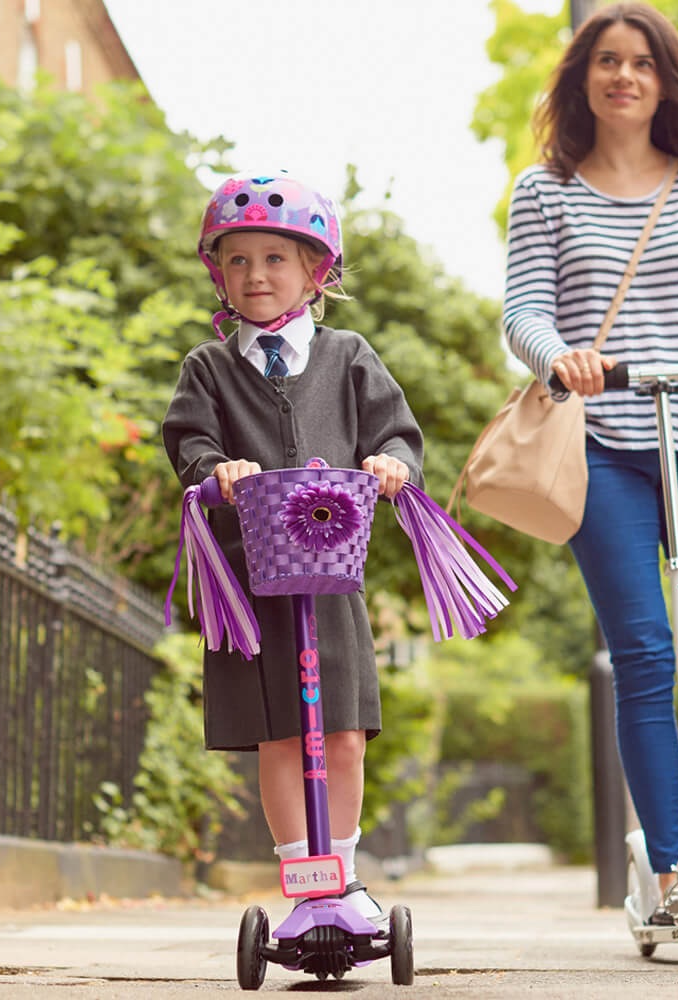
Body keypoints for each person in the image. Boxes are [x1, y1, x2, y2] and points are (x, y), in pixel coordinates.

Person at [500, 3, 678, 941]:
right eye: (607, 61)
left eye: (643, 63)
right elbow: (523, 311)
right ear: (583, 77)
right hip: (602, 446)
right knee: (646, 655)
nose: (625, 76)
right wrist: (560, 357)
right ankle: (670, 868)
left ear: (667, 80)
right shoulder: (544, 190)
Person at [162, 172, 422, 927]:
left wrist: (393, 463)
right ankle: (306, 885)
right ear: (220, 273)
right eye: (237, 261)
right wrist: (217, 473)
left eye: (275, 259)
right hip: (250, 582)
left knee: (341, 730)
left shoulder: (347, 356)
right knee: (277, 733)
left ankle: (339, 872)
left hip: (330, 575)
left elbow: (393, 428)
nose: (256, 275)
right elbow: (189, 441)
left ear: (315, 272)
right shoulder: (207, 368)